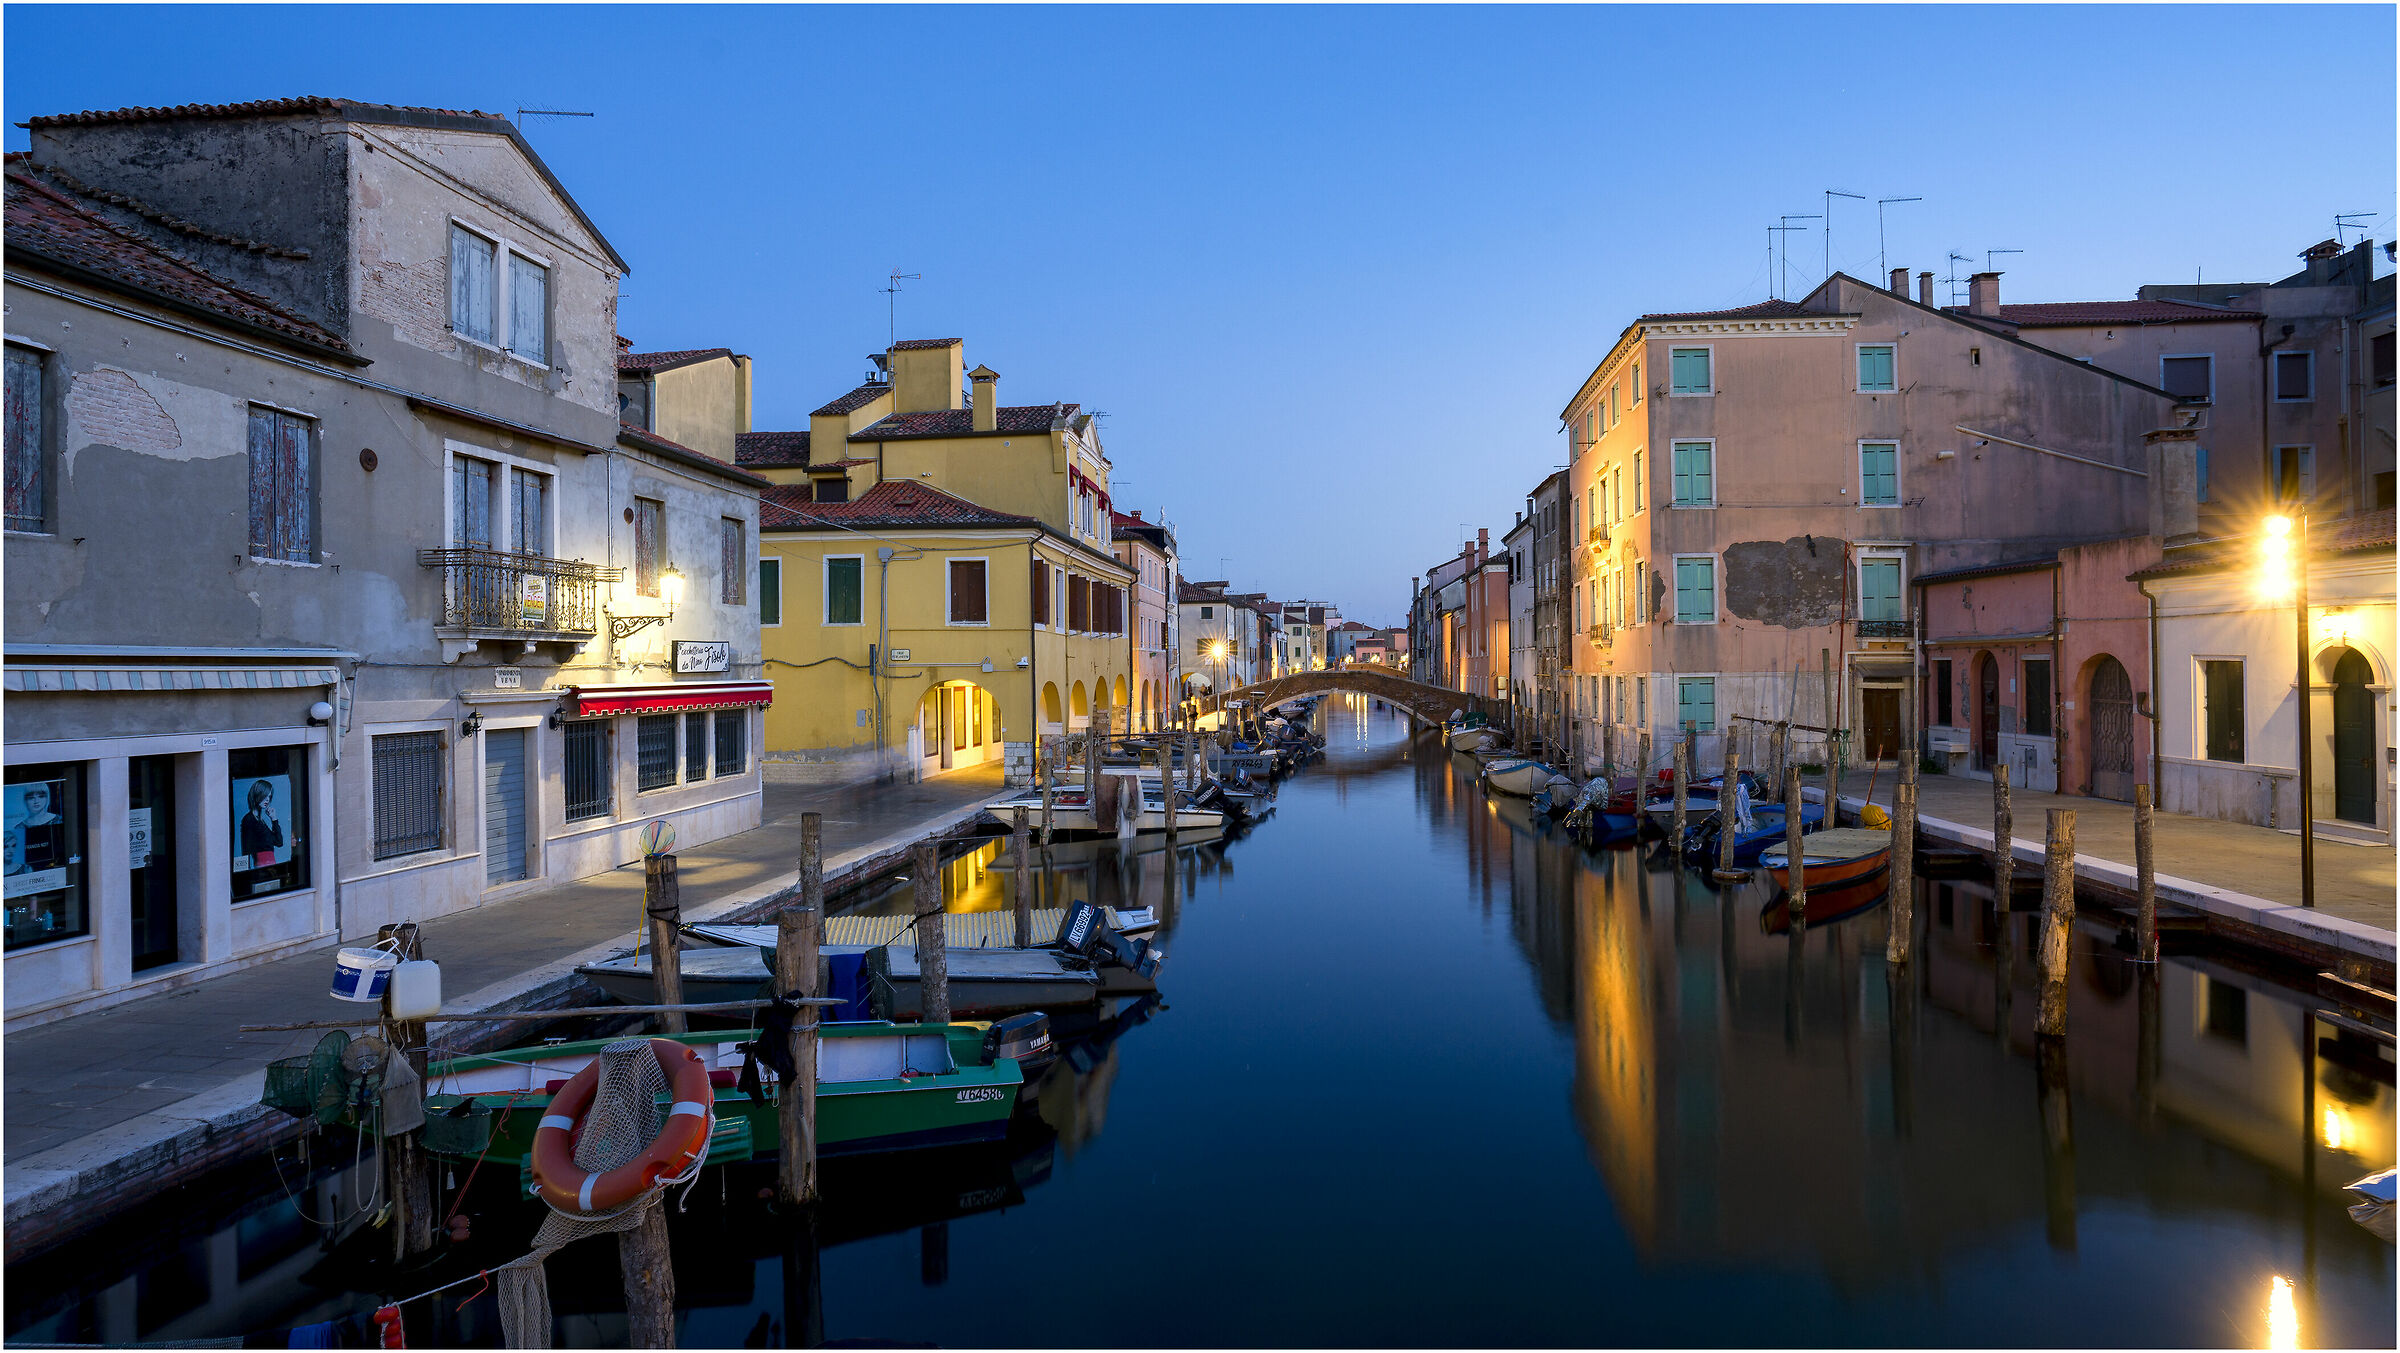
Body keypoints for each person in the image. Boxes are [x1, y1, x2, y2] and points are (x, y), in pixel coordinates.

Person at [240, 779, 284, 863]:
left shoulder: (261, 821)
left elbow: (279, 842)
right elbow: (246, 850)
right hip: (261, 866)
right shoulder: (249, 819)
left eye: (269, 796)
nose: (267, 800)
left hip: (270, 865)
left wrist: (274, 819)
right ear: (257, 794)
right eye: (265, 795)